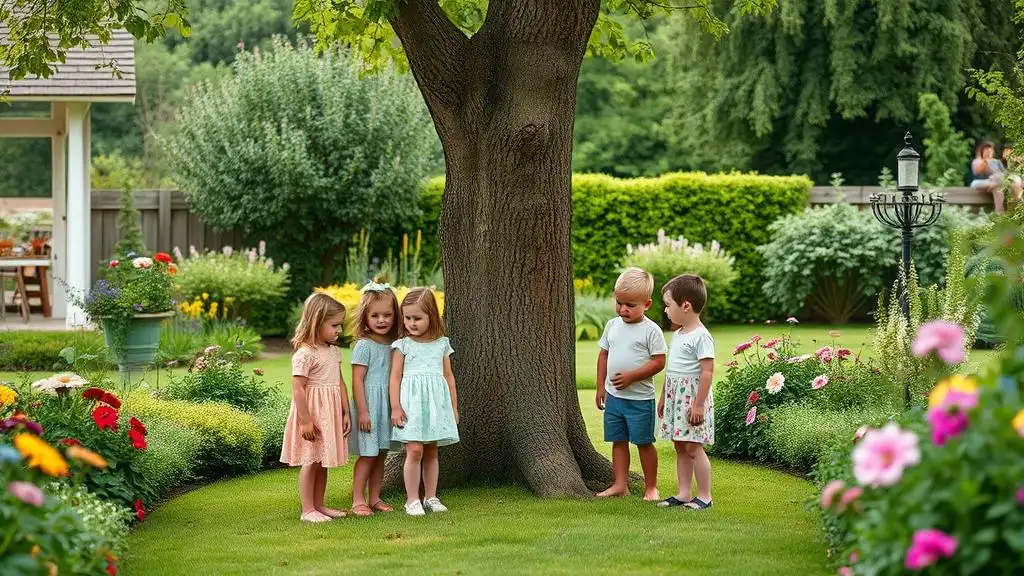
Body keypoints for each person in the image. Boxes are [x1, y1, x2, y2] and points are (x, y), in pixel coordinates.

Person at [595, 267, 667, 501]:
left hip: (639, 400)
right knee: (618, 441)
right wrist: (600, 387)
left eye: (630, 305)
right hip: (614, 397)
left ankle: (651, 487)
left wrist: (632, 377)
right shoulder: (612, 325)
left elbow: (659, 362)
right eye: (619, 303)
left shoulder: (651, 330)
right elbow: (604, 355)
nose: (623, 309)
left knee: (644, 443)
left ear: (646, 304)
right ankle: (619, 485)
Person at [280, 292, 352, 522]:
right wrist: (305, 420)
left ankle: (320, 505)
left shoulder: (333, 351)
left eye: (339, 325)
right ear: (316, 322)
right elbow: (298, 388)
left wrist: (345, 411)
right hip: (312, 413)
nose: (339, 330)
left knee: (323, 461)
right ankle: (307, 509)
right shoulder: (305, 353)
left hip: (330, 413)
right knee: (311, 460)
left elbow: (339, 383)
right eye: (334, 325)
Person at [390, 287, 460, 516]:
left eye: (417, 318)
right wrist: (395, 407)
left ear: (431, 315)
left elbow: (449, 377)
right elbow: (395, 378)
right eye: (407, 318)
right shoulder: (403, 345)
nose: (411, 323)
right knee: (414, 450)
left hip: (435, 406)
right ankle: (412, 500)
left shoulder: (441, 344)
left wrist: (454, 407)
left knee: (431, 450)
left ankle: (431, 496)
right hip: (411, 406)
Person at [657, 274, 715, 510]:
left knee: (693, 447)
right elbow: (672, 369)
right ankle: (683, 493)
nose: (666, 310)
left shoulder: (701, 336)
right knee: (679, 444)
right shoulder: (679, 334)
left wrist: (699, 404)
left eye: (668, 305)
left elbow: (708, 372)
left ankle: (705, 496)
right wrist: (663, 397)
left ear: (686, 306)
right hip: (675, 396)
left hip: (692, 399)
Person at [348, 282, 401, 517]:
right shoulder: (364, 346)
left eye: (387, 315)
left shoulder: (395, 345)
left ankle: (375, 498)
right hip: (368, 406)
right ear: (365, 318)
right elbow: (357, 380)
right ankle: (358, 500)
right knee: (368, 454)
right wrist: (363, 412)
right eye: (375, 315)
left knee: (381, 453)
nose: (382, 320)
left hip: (386, 406)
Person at [971, 140, 1009, 213]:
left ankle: (1000, 215)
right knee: (999, 183)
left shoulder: (997, 162)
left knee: (999, 188)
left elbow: (1005, 174)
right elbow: (978, 171)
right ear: (981, 152)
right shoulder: (977, 161)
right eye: (986, 151)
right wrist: (986, 161)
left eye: (990, 151)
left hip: (995, 184)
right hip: (979, 183)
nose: (988, 153)